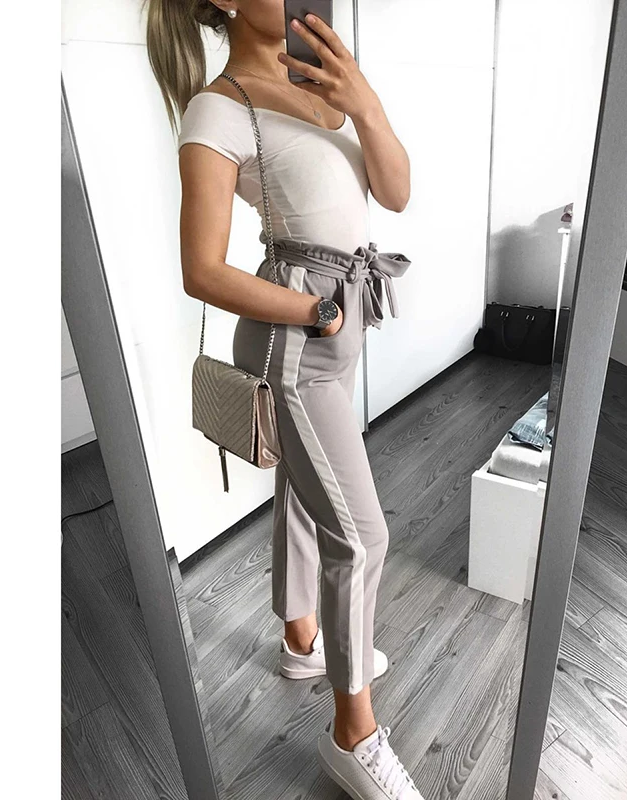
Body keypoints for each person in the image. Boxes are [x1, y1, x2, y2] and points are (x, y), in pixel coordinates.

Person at [147, 2, 424, 798]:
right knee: (362, 538)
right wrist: (314, 311)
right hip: (298, 335)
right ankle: (353, 735)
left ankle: (303, 641)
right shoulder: (219, 107)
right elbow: (200, 270)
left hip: (341, 319)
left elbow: (396, 193)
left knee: (307, 496)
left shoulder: (323, 84)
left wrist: (366, 104)